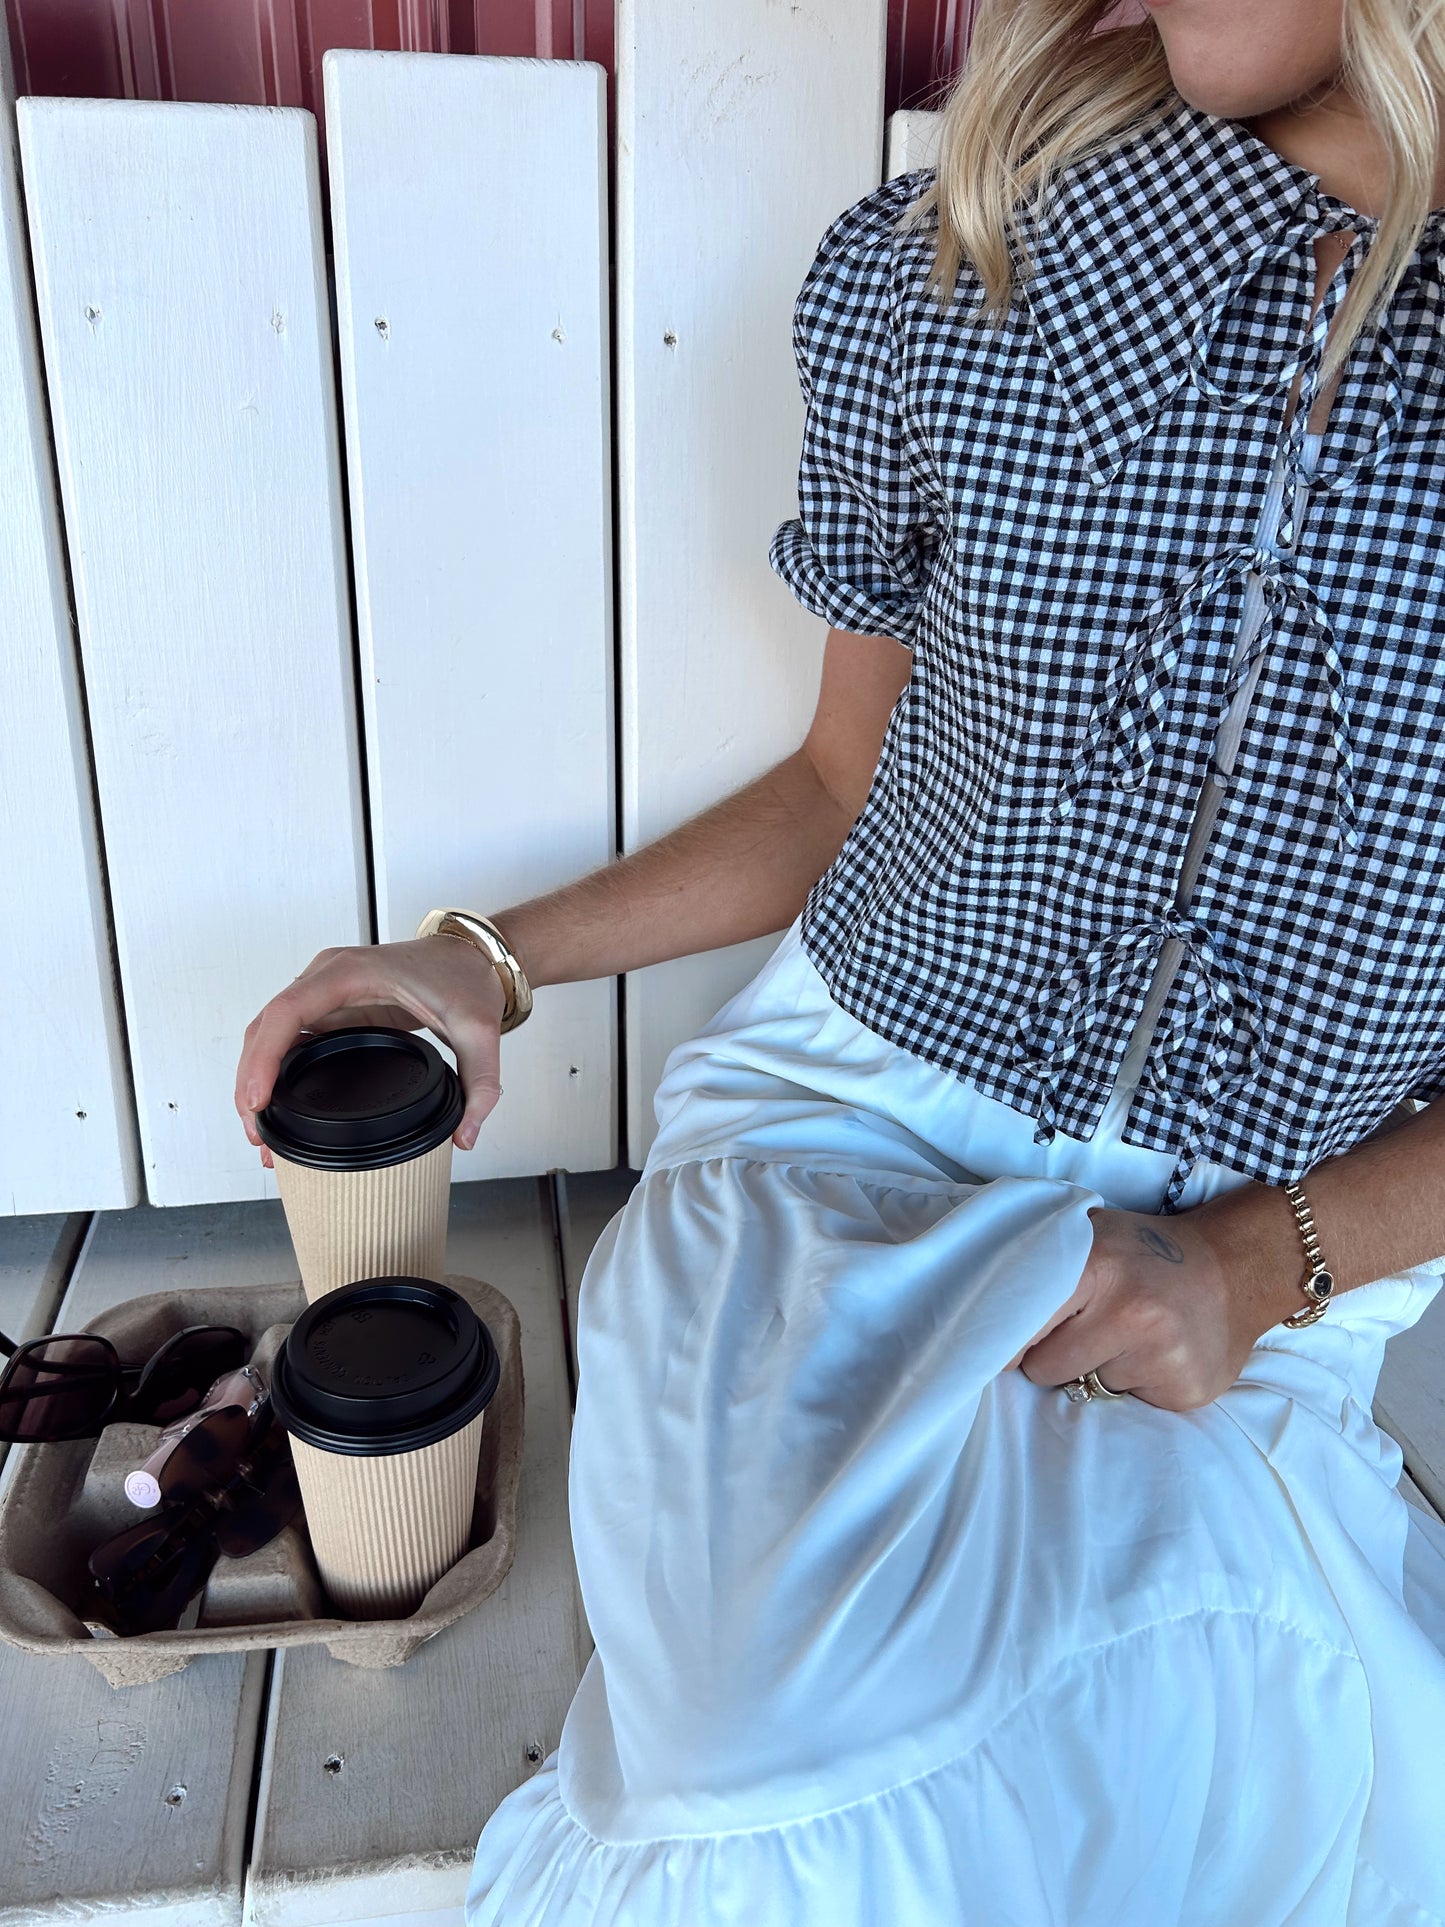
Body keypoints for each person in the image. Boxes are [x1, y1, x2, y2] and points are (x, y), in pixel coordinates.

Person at [235, 0, 1445, 1916]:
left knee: (1188, 1749)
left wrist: (1253, 1261)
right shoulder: (955, 265)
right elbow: (837, 780)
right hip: (843, 1136)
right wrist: (485, 958)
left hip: (1281, 1249)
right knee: (755, 1746)